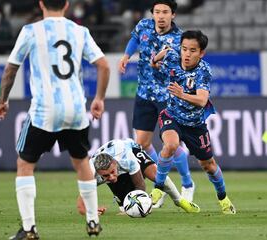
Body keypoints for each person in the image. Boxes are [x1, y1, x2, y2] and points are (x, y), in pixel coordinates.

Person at [0, 0, 110, 238]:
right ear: (67, 4)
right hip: (77, 108)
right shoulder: (80, 31)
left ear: (41, 4)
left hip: (44, 110)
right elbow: (104, 66)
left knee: (25, 165)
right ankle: (92, 220)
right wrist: (99, 98)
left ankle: (29, 229)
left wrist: (2, 100)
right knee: (81, 162)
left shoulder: (31, 31)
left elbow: (10, 70)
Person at [150, 30, 236, 214]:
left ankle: (223, 198)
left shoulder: (204, 71)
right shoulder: (174, 56)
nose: (187, 54)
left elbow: (202, 100)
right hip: (171, 115)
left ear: (201, 53)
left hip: (195, 125)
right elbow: (161, 57)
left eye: (192, 50)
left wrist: (182, 94)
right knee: (171, 144)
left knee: (209, 165)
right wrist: (155, 59)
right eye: (184, 49)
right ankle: (157, 188)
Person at [118, 0, 195, 206]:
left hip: (167, 96)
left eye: (165, 12)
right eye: (157, 12)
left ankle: (187, 183)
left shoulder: (179, 40)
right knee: (142, 143)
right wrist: (126, 56)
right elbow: (134, 39)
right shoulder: (143, 25)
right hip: (144, 93)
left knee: (171, 143)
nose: (161, 16)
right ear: (153, 13)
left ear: (173, 15)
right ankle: (164, 185)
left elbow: (184, 67)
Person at [76, 139, 200, 215]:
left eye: (113, 172)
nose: (112, 177)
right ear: (98, 173)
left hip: (129, 148)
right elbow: (81, 206)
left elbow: (140, 184)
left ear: (115, 164)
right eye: (106, 176)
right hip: (112, 159)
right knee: (125, 209)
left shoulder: (126, 159)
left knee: (156, 176)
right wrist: (92, 211)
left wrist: (143, 204)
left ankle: (181, 201)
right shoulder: (90, 173)